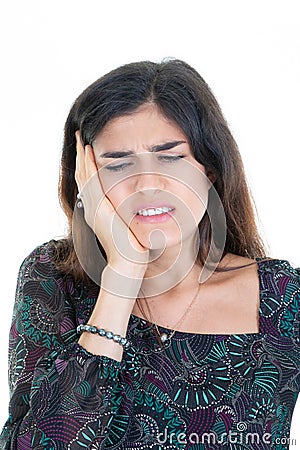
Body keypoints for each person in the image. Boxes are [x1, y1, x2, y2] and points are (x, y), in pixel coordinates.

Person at [1, 59, 299, 449]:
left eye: (171, 157)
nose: (147, 184)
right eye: (118, 164)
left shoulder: (282, 296)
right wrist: (121, 277)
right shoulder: (53, 278)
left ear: (209, 169)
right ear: (85, 183)